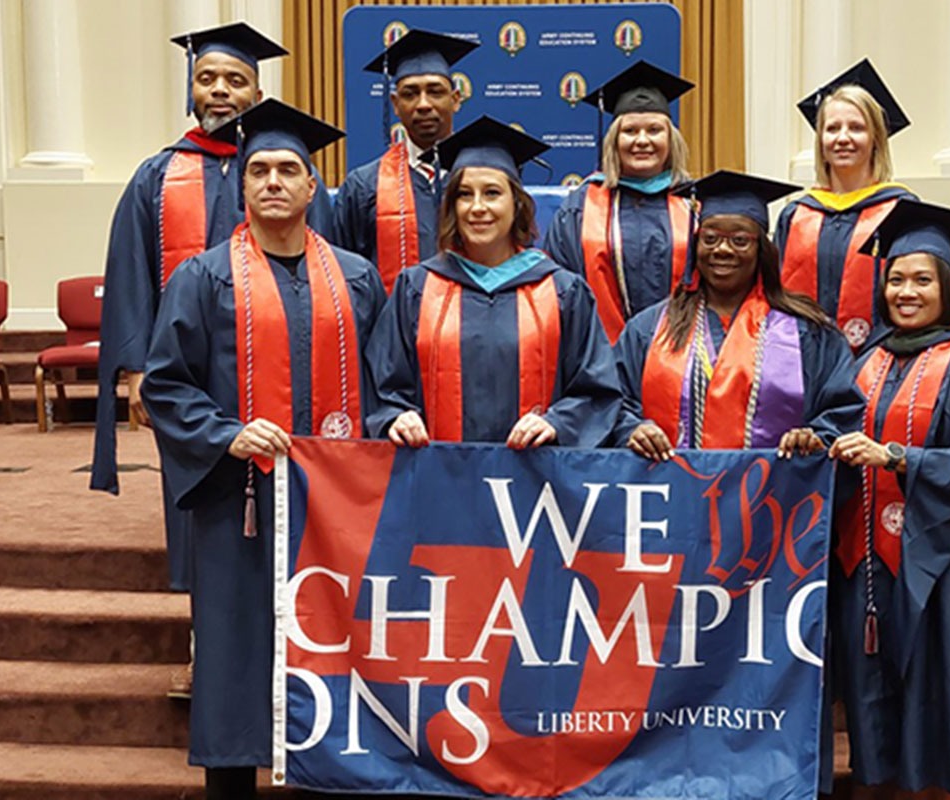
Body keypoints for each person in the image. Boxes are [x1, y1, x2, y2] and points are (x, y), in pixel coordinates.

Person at [141, 99, 386, 800]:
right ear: (243, 188)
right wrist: (226, 432)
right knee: (236, 651)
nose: (273, 182)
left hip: (337, 503)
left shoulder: (358, 278)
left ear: (314, 187)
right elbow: (166, 384)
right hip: (238, 501)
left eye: (288, 170)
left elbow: (386, 379)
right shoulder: (203, 277)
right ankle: (231, 787)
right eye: (259, 171)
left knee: (338, 644)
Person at [90, 22, 332, 611]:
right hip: (194, 369)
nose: (220, 90)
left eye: (236, 80)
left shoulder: (280, 171)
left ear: (255, 92)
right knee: (202, 496)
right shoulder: (157, 175)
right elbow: (130, 273)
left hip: (286, 357)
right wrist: (137, 369)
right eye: (208, 79)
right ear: (191, 90)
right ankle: (210, 630)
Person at [826, 199, 950, 799]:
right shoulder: (865, 360)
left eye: (921, 280)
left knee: (942, 673)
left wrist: (896, 458)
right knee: (871, 672)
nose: (905, 293)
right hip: (865, 554)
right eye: (895, 280)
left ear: (948, 288)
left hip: (944, 552)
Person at [367, 115, 620, 448]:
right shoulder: (416, 289)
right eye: (464, 195)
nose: (477, 207)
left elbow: (597, 391)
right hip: (435, 479)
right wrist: (396, 416)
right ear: (450, 207)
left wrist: (557, 423)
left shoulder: (562, 292)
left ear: (516, 204)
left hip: (534, 482)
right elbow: (381, 388)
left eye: (492, 193)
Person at [612, 170, 863, 460]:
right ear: (696, 246)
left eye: (740, 240)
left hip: (774, 497)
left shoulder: (809, 331)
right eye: (710, 238)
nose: (722, 249)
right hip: (671, 498)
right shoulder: (650, 328)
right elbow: (613, 402)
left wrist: (815, 437)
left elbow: (842, 412)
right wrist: (632, 429)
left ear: (761, 250)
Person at [542, 60, 694, 343]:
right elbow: (557, 286)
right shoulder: (581, 206)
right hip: (599, 359)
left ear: (671, 139)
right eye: (630, 131)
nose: (642, 140)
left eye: (654, 130)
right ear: (614, 141)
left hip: (680, 357)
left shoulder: (694, 204)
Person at [775, 59, 916, 352]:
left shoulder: (900, 210)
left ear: (876, 138)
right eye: (832, 128)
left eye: (856, 128)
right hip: (801, 360)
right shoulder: (798, 213)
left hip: (879, 359)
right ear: (821, 141)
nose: (843, 138)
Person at [333, 29, 478, 292]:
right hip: (392, 328)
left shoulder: (484, 176)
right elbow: (344, 275)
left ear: (455, 100)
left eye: (435, 92)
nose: (423, 104)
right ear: (395, 104)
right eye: (410, 94)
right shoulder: (364, 185)